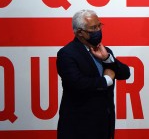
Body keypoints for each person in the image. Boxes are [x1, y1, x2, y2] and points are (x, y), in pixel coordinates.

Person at [56, 9, 131, 139]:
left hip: (104, 125)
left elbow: (125, 73)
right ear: (80, 32)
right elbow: (77, 83)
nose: (98, 31)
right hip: (79, 127)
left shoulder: (104, 50)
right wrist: (106, 80)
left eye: (99, 26)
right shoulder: (67, 54)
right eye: (93, 28)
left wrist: (107, 58)